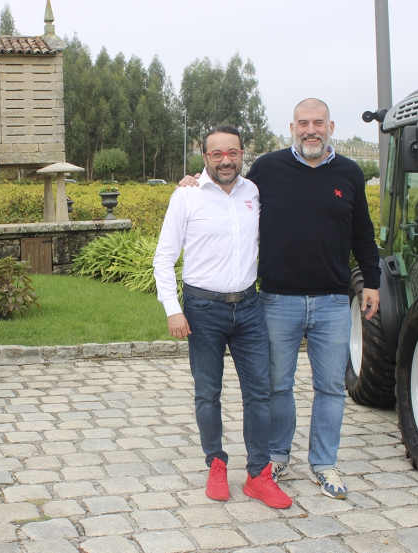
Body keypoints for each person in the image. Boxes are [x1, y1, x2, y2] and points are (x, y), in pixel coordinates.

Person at [180, 99, 380, 500]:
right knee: (276, 387)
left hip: (331, 301)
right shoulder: (267, 170)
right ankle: (275, 458)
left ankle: (324, 463)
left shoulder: (350, 172)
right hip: (276, 300)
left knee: (330, 387)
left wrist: (372, 281)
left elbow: (362, 232)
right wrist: (193, 182)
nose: (311, 130)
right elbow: (229, 186)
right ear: (292, 127)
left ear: (330, 126)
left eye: (318, 123)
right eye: (303, 123)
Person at [154, 124, 291, 509]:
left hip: (249, 308)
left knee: (259, 394)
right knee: (207, 393)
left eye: (232, 152)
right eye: (217, 154)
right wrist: (173, 309)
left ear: (242, 153)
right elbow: (164, 258)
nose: (226, 160)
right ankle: (215, 463)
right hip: (202, 309)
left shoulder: (254, 193)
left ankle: (258, 475)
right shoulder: (186, 196)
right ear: (205, 157)